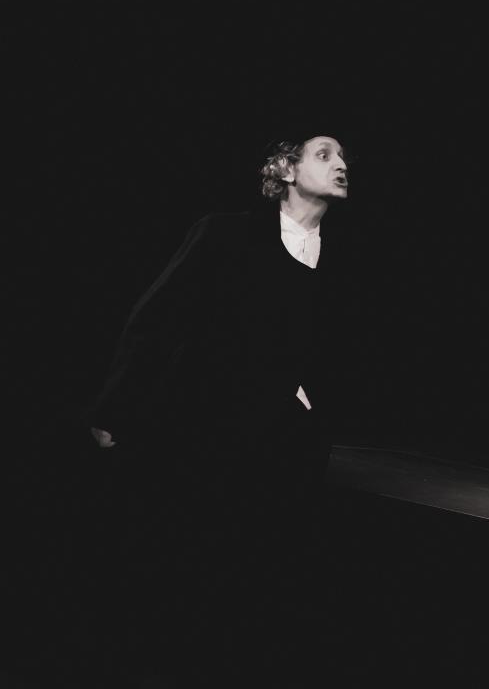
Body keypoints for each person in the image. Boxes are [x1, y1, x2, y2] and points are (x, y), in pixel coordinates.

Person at [85, 131, 357, 684]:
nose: (341, 164)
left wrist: (314, 412)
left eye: (344, 157)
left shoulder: (345, 262)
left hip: (287, 448)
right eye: (324, 154)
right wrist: (116, 407)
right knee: (191, 574)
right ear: (286, 170)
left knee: (265, 583)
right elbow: (156, 319)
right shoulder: (227, 234)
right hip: (206, 437)